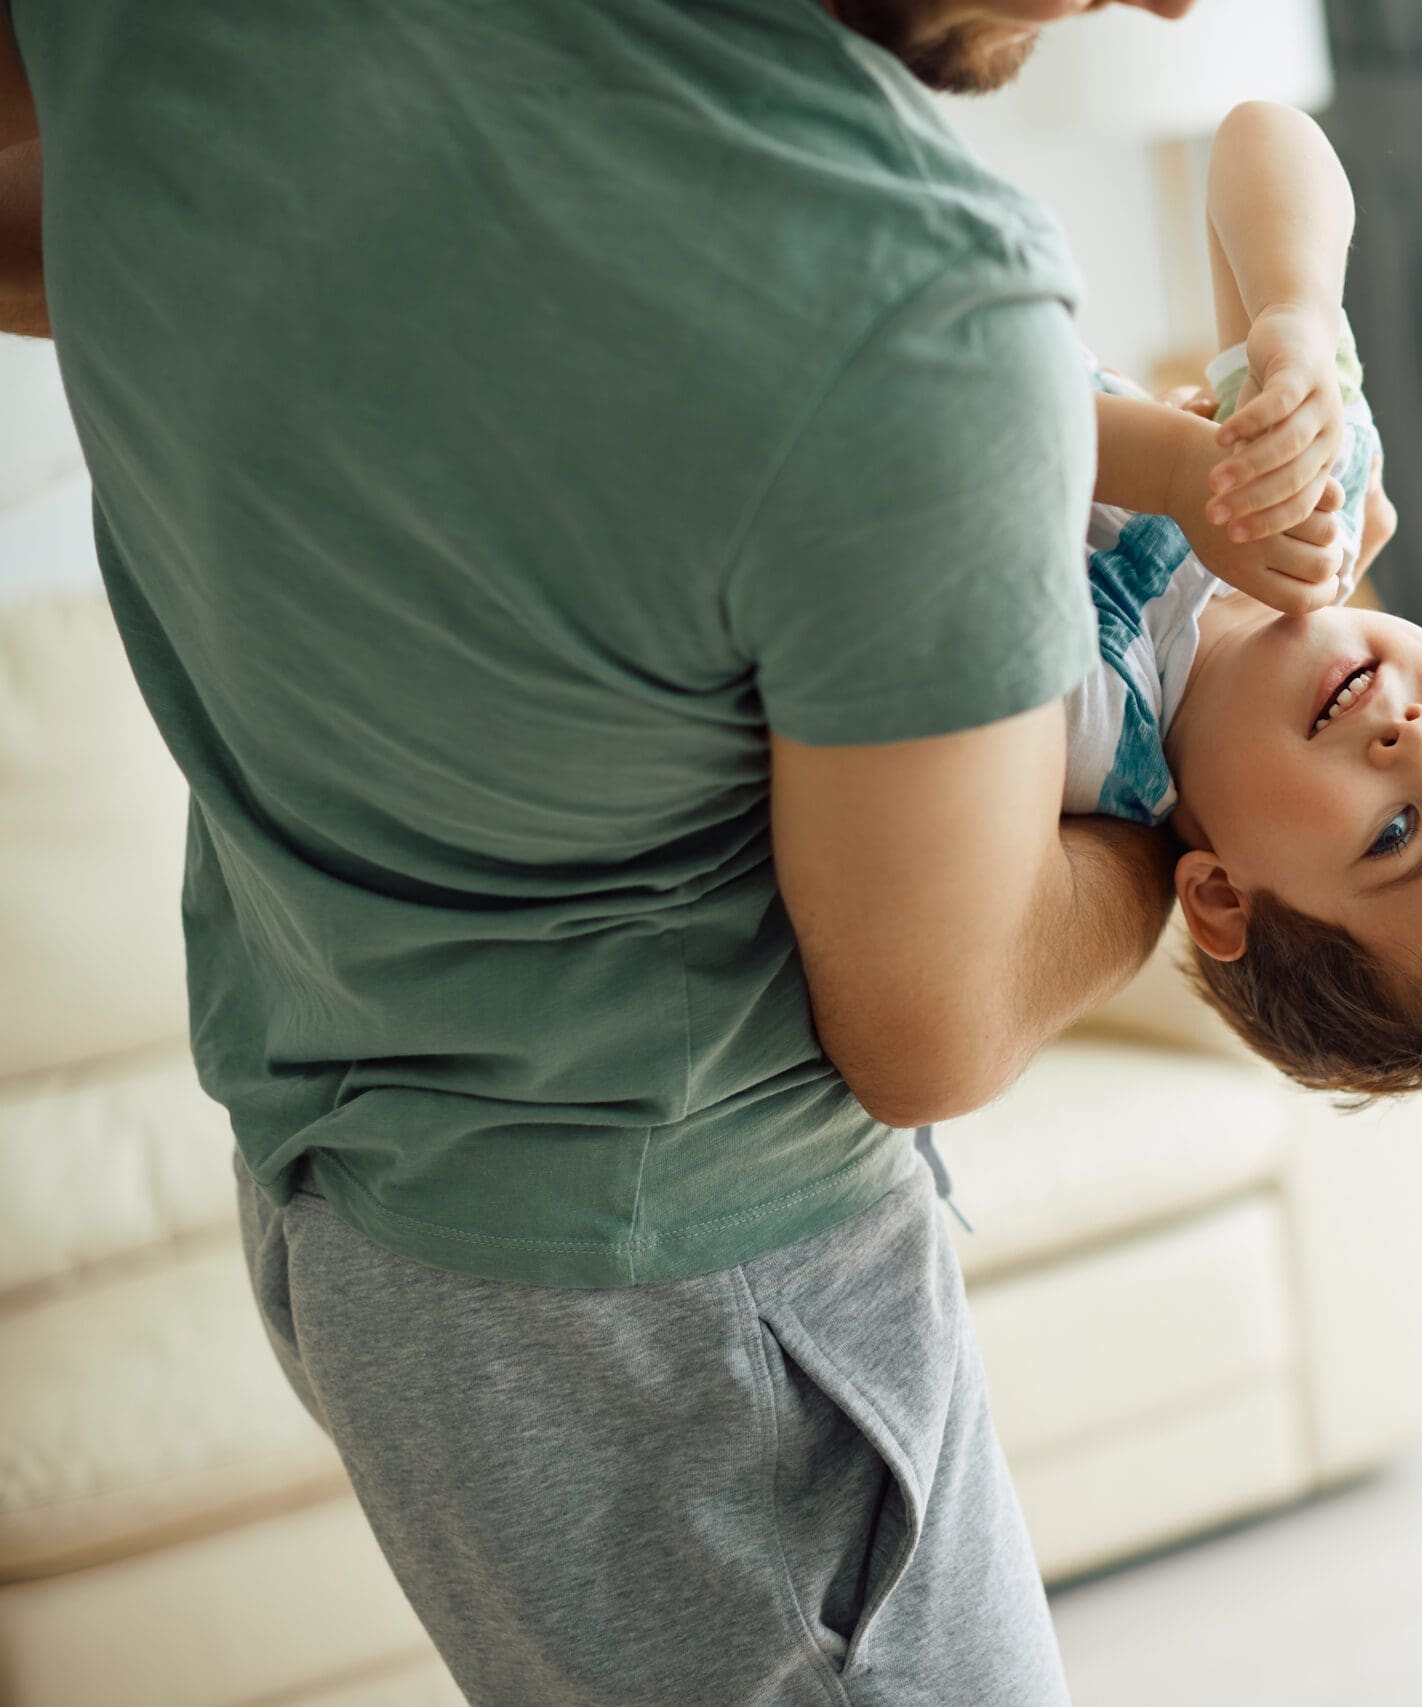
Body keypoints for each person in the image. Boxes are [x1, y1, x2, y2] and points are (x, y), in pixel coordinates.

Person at [0, 1, 1239, 1702]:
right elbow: (932, 1027)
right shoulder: (919, 307)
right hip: (692, 1316)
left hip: (349, 1219)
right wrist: (1175, 845)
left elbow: (89, 212)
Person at [1065, 102, 1422, 1097]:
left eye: (1394, 835)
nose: (1417, 742)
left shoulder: (1088, 720)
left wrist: (1173, 471)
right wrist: (1290, 314)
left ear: (1216, 901)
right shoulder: (1320, 503)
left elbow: (958, 432)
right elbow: (1259, 134)